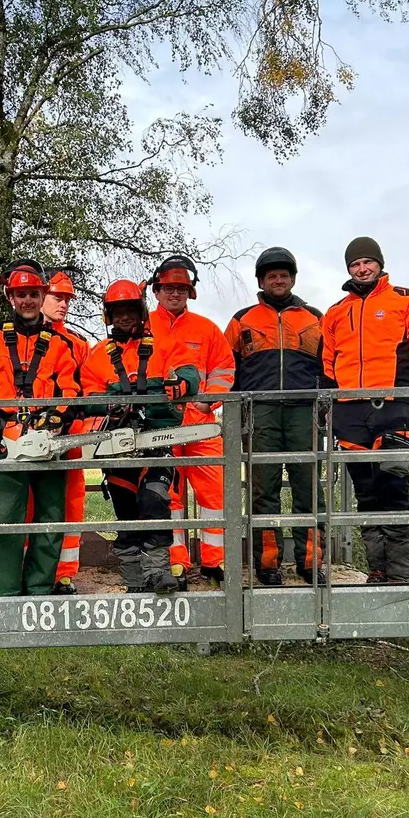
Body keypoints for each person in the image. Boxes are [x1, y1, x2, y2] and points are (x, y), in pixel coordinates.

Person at [321, 236, 409, 583]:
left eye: (367, 262)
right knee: (365, 494)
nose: (362, 269)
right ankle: (377, 569)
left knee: (393, 488)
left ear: (379, 264)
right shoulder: (335, 312)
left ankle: (402, 573)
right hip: (349, 411)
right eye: (355, 264)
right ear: (349, 269)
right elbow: (326, 364)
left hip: (393, 406)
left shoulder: (405, 300)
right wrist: (325, 403)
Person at [0, 259, 81, 597]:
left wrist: (57, 416)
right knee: (3, 522)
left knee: (50, 519)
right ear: (11, 297)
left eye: (33, 294)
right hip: (6, 443)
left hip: (50, 443)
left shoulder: (62, 344)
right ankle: (6, 595)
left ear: (43, 296)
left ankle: (40, 589)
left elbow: (72, 389)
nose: (27, 300)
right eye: (21, 294)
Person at [78, 280, 201, 593]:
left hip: (156, 437)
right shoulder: (97, 357)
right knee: (126, 512)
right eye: (118, 312)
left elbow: (189, 372)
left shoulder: (163, 345)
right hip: (116, 444)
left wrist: (181, 385)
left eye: (131, 310)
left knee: (154, 499)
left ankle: (158, 572)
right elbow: (87, 397)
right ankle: (135, 580)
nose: (125, 317)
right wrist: (110, 402)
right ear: (109, 315)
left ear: (141, 312)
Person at [224, 247, 326, 586]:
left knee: (308, 488)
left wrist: (327, 405)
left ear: (293, 278)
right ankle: (267, 564)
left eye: (283, 275)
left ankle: (310, 562)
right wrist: (235, 411)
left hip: (303, 411)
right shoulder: (242, 320)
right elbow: (227, 369)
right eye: (271, 276)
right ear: (261, 281)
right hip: (260, 412)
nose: (278, 280)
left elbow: (331, 366)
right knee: (262, 489)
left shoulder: (314, 318)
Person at [145, 254, 235, 587]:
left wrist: (207, 400)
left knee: (214, 494)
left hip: (201, 424)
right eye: (169, 288)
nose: (174, 294)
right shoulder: (144, 327)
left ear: (189, 292)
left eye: (181, 288)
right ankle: (176, 560)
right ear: (157, 290)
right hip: (161, 426)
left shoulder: (207, 329)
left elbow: (225, 369)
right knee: (169, 495)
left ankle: (215, 560)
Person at [42, 271, 91, 594]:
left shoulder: (78, 344)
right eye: (58, 298)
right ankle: (32, 571)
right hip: (29, 433)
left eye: (67, 300)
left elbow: (88, 390)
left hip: (69, 435)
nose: (64, 305)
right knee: (31, 506)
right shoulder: (18, 338)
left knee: (72, 502)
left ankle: (64, 572)